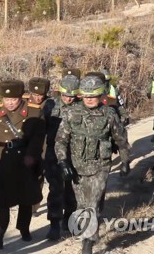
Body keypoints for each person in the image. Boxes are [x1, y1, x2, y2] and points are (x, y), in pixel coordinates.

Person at [55, 76, 131, 254]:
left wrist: (125, 160)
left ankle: (88, 242)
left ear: (100, 95)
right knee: (81, 205)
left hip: (100, 166)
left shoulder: (109, 114)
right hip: (77, 167)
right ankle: (88, 228)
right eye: (86, 95)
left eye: (93, 95)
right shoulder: (71, 113)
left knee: (92, 204)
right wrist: (62, 161)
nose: (89, 99)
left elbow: (121, 139)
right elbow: (60, 141)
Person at [0, 80, 46, 251]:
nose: (9, 103)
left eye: (13, 99)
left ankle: (24, 228)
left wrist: (31, 156)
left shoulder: (35, 112)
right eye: (6, 99)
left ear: (21, 98)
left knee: (26, 198)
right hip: (3, 160)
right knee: (1, 200)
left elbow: (38, 139)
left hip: (25, 160)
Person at [43, 74, 79, 241]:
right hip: (53, 153)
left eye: (72, 96)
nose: (68, 99)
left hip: (75, 152)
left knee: (72, 189)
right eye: (65, 95)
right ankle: (54, 224)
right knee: (55, 188)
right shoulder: (50, 105)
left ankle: (69, 218)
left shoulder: (81, 107)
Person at [23, 77, 51, 213]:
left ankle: (35, 204)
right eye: (35, 95)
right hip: (27, 143)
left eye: (41, 95)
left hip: (44, 143)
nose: (38, 98)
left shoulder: (51, 104)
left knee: (39, 173)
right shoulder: (23, 102)